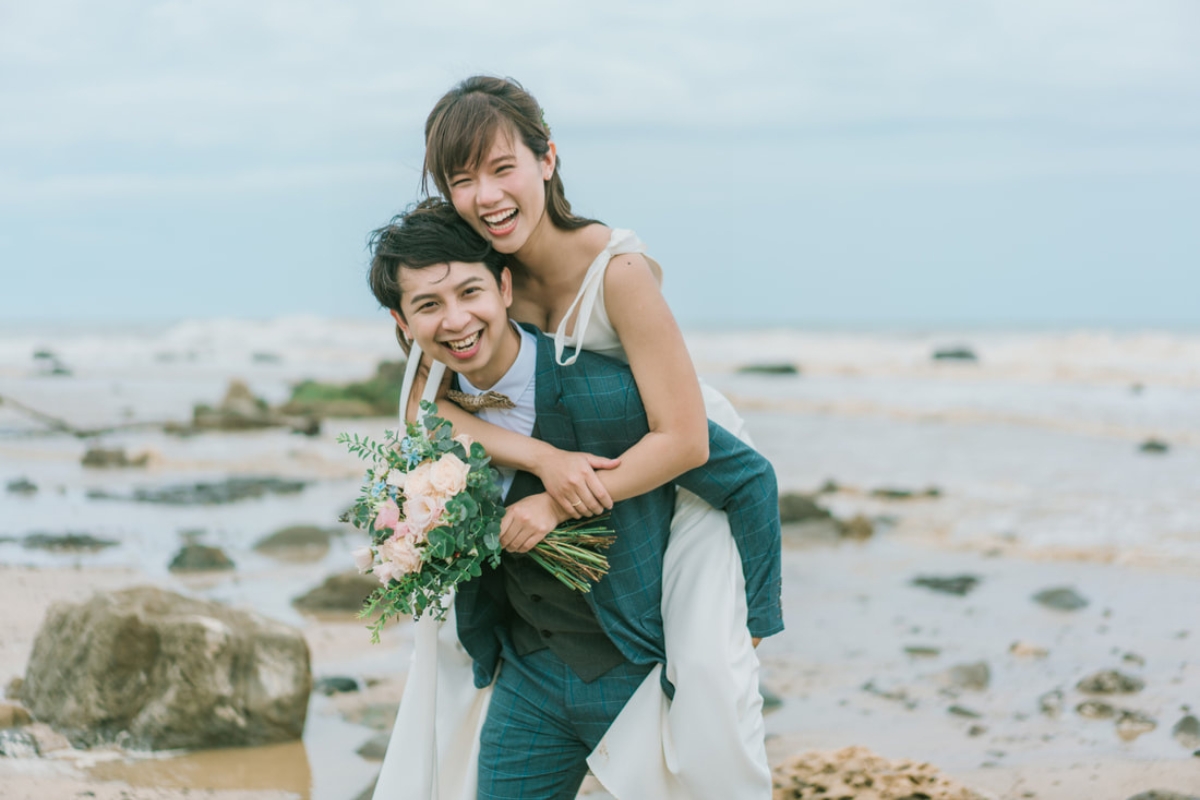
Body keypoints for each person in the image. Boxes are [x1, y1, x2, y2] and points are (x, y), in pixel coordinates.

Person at [378, 76, 778, 800]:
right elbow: (420, 400)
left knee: (708, 684)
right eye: (462, 179)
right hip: (563, 454)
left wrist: (557, 499)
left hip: (667, 451)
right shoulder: (481, 273)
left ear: (548, 162)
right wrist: (540, 459)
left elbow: (686, 438)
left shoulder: (617, 272)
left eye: (504, 169)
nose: (487, 195)